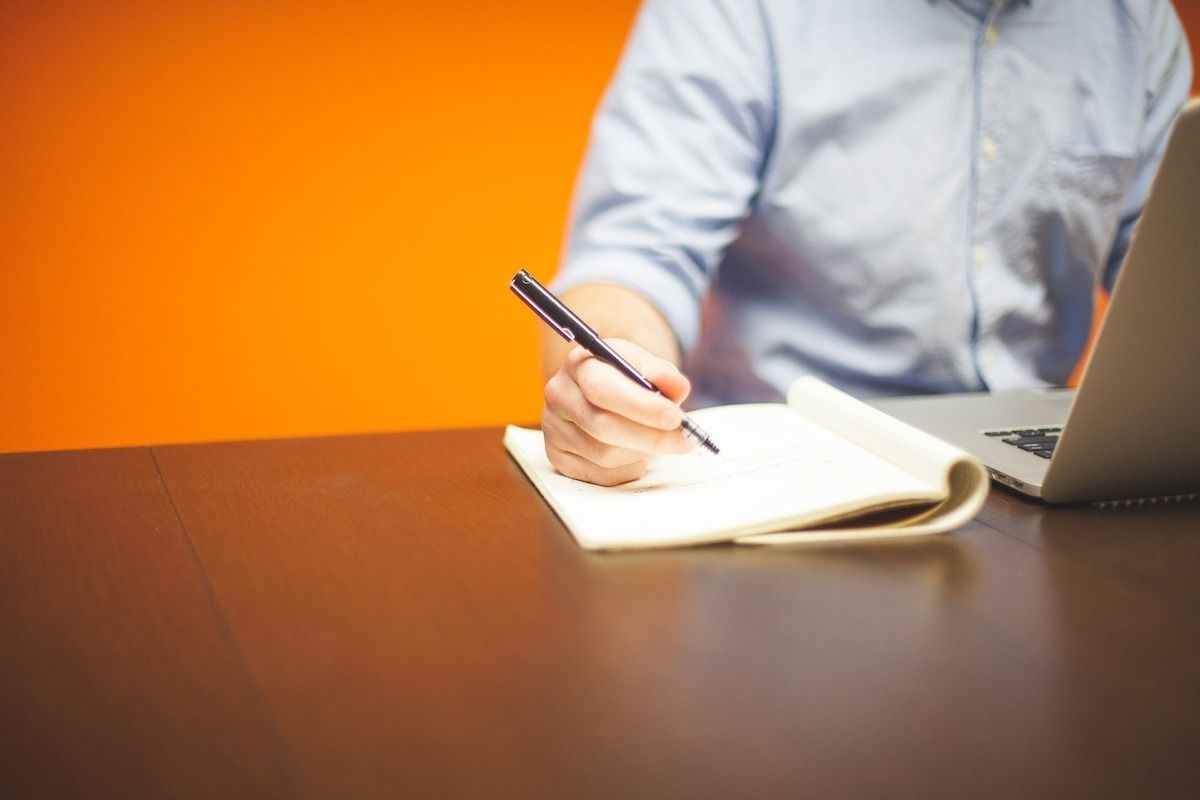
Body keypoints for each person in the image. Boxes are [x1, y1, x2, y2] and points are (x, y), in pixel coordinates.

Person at [540, 0, 1193, 486]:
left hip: (1047, 479)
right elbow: (635, 254)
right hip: (781, 475)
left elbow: (1173, 279)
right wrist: (615, 373)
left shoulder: (1137, 24)